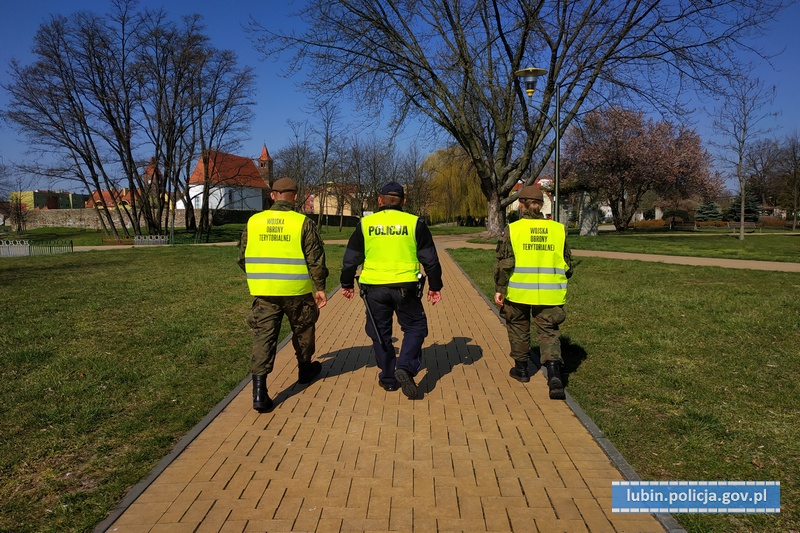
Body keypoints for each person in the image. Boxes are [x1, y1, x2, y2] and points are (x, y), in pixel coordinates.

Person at [340, 181, 443, 399]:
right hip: (406, 287)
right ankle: (404, 367)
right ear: (404, 201)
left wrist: (346, 283)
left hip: (374, 289)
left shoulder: (366, 224)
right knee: (415, 327)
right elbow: (430, 260)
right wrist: (435, 286)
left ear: (379, 200)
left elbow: (350, 259)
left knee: (380, 332)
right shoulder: (415, 223)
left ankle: (388, 379)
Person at [237, 177, 329, 412]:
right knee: (303, 330)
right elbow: (315, 259)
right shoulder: (302, 223)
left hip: (265, 292)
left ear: (272, 196)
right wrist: (319, 287)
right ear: (296, 197)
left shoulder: (253, 222)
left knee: (264, 338)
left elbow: (242, 257)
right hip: (296, 292)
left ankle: (259, 393)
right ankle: (305, 370)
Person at [494, 184, 573, 400]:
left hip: (519, 291)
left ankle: (521, 369)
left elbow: (505, 263)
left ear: (521, 205)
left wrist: (499, 289)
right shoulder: (558, 229)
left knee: (519, 327)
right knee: (549, 331)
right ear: (540, 205)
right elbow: (567, 262)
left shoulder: (514, 229)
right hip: (550, 292)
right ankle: (554, 373)